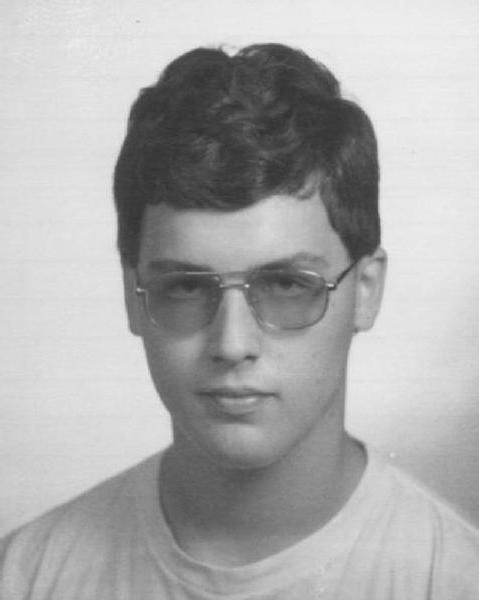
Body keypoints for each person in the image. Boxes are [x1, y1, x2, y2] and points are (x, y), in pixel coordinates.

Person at [1, 42, 478, 600]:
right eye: (185, 287)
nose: (231, 344)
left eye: (286, 285)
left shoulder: (454, 581)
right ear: (133, 295)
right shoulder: (25, 577)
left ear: (365, 292)